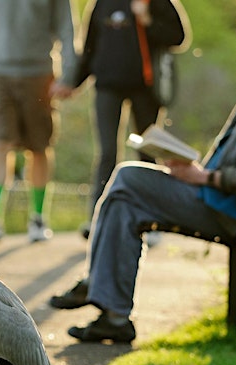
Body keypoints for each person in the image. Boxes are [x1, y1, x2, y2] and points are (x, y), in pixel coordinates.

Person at [49, 5, 236, 343]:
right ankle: (113, 315)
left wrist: (203, 178)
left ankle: (99, 288)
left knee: (128, 178)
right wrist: (191, 171)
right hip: (227, 200)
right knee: (125, 199)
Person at [73, 0, 190, 239]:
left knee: (147, 152)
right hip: (106, 87)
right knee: (107, 153)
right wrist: (71, 83)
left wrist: (147, 20)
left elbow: (178, 37)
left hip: (145, 88)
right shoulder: (101, 3)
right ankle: (98, 218)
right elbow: (89, 48)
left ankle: (153, 218)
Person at [0, 0, 78, 243]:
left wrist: (70, 74)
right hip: (0, 75)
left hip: (40, 76)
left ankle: (38, 218)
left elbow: (67, 30)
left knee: (39, 147)